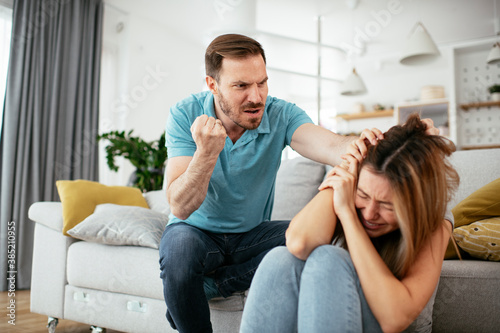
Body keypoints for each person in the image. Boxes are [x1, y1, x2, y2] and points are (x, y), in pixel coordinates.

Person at [240, 114, 459, 333]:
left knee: (329, 258)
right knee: (279, 259)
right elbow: (298, 243)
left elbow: (394, 319)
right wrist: (348, 164)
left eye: (388, 206)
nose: (370, 214)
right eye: (362, 195)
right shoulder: (348, 188)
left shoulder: (434, 222)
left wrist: (348, 215)